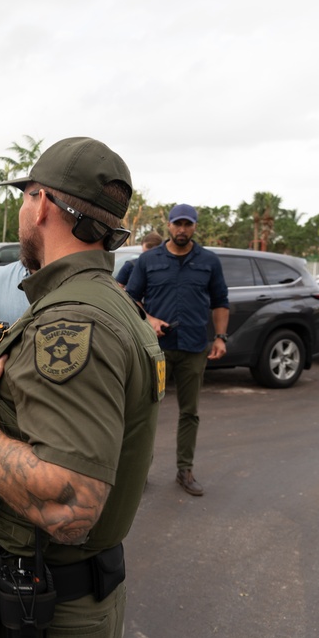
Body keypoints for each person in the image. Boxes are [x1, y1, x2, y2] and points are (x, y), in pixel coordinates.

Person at [0, 137, 163, 638]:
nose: (23, 207)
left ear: (42, 205)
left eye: (26, 194)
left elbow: (71, 508)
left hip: (48, 612)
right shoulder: (101, 303)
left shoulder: (74, 322)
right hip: (42, 595)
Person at [125, 203, 229, 496]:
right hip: (156, 349)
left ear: (195, 227)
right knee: (146, 410)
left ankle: (185, 470)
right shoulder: (149, 260)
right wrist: (149, 318)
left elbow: (221, 301)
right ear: (169, 225)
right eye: (177, 224)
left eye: (188, 224)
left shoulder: (208, 261)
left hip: (194, 348)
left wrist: (220, 337)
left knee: (190, 412)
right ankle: (139, 472)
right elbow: (130, 298)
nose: (182, 229)